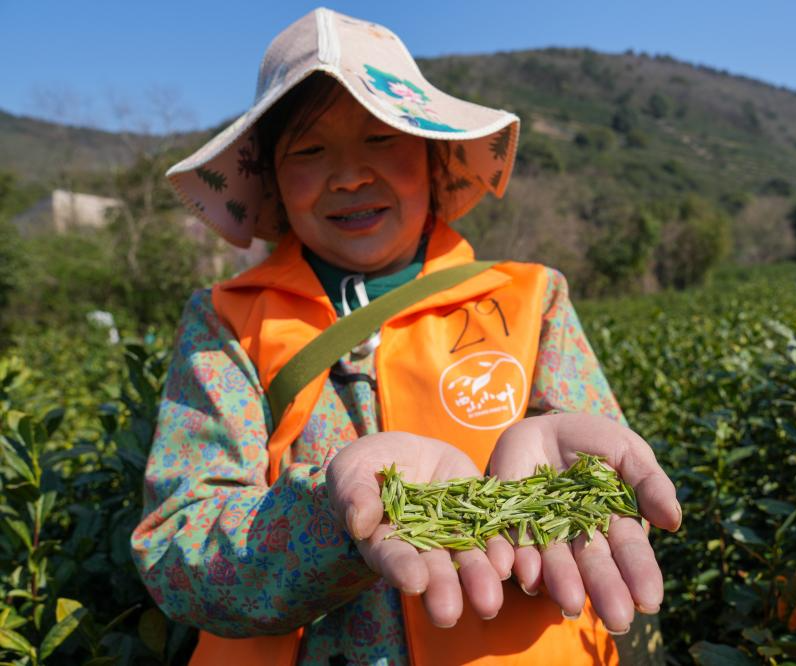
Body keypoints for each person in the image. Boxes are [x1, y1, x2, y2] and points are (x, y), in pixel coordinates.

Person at [131, 7, 682, 665]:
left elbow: (591, 471)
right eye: (308, 151)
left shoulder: (531, 298)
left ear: (432, 156)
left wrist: (573, 466)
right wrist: (330, 510)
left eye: (381, 139)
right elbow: (176, 551)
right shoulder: (226, 321)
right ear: (273, 179)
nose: (349, 176)